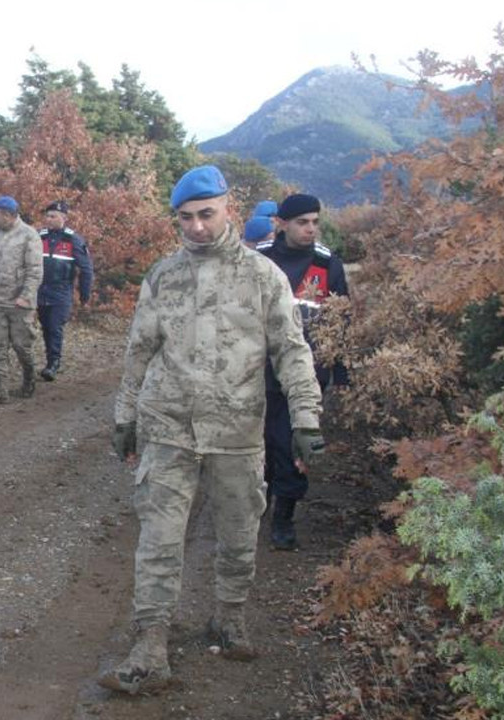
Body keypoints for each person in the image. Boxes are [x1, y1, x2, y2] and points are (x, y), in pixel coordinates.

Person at [101, 166, 325, 694]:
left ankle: (229, 616)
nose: (197, 227)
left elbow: (291, 351)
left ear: (230, 208)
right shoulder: (162, 276)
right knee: (158, 538)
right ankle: (150, 643)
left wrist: (306, 417)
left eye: (207, 214)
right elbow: (139, 351)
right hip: (168, 426)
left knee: (239, 531)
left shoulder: (263, 277)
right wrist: (124, 416)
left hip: (237, 429)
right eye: (186, 218)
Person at [255, 193, 349, 550]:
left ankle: (284, 516)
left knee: (293, 442)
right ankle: (257, 499)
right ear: (282, 223)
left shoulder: (328, 266)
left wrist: (340, 373)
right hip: (257, 369)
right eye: (302, 222)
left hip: (307, 374)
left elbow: (342, 321)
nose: (310, 229)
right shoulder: (259, 258)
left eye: (314, 222)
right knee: (259, 440)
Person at [0, 195, 43, 404]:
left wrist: (26, 296)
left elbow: (35, 271)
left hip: (19, 303)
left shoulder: (29, 236)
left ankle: (29, 379)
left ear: (8, 215)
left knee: (22, 346)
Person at [35, 200, 94, 381]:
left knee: (55, 326)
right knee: (45, 327)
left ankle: (54, 363)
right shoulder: (40, 237)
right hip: (40, 290)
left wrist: (84, 294)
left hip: (61, 291)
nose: (49, 219)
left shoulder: (73, 240)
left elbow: (86, 269)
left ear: (64, 218)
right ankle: (50, 360)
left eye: (53, 216)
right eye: (47, 216)